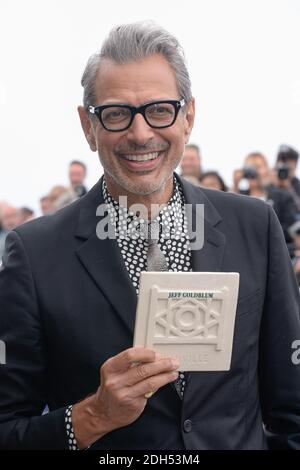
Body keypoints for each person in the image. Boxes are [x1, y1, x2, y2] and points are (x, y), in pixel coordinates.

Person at [0, 21, 299, 451]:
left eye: (160, 110)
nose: (141, 134)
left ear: (188, 116)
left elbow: (292, 407)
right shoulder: (34, 254)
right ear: (88, 126)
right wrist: (91, 416)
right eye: (117, 113)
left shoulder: (255, 227)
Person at [232, 152, 297, 244]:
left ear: (267, 170)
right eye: (250, 168)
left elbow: (292, 229)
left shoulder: (282, 197)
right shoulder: (237, 197)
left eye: (258, 167)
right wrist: (235, 186)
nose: (254, 172)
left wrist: (264, 228)